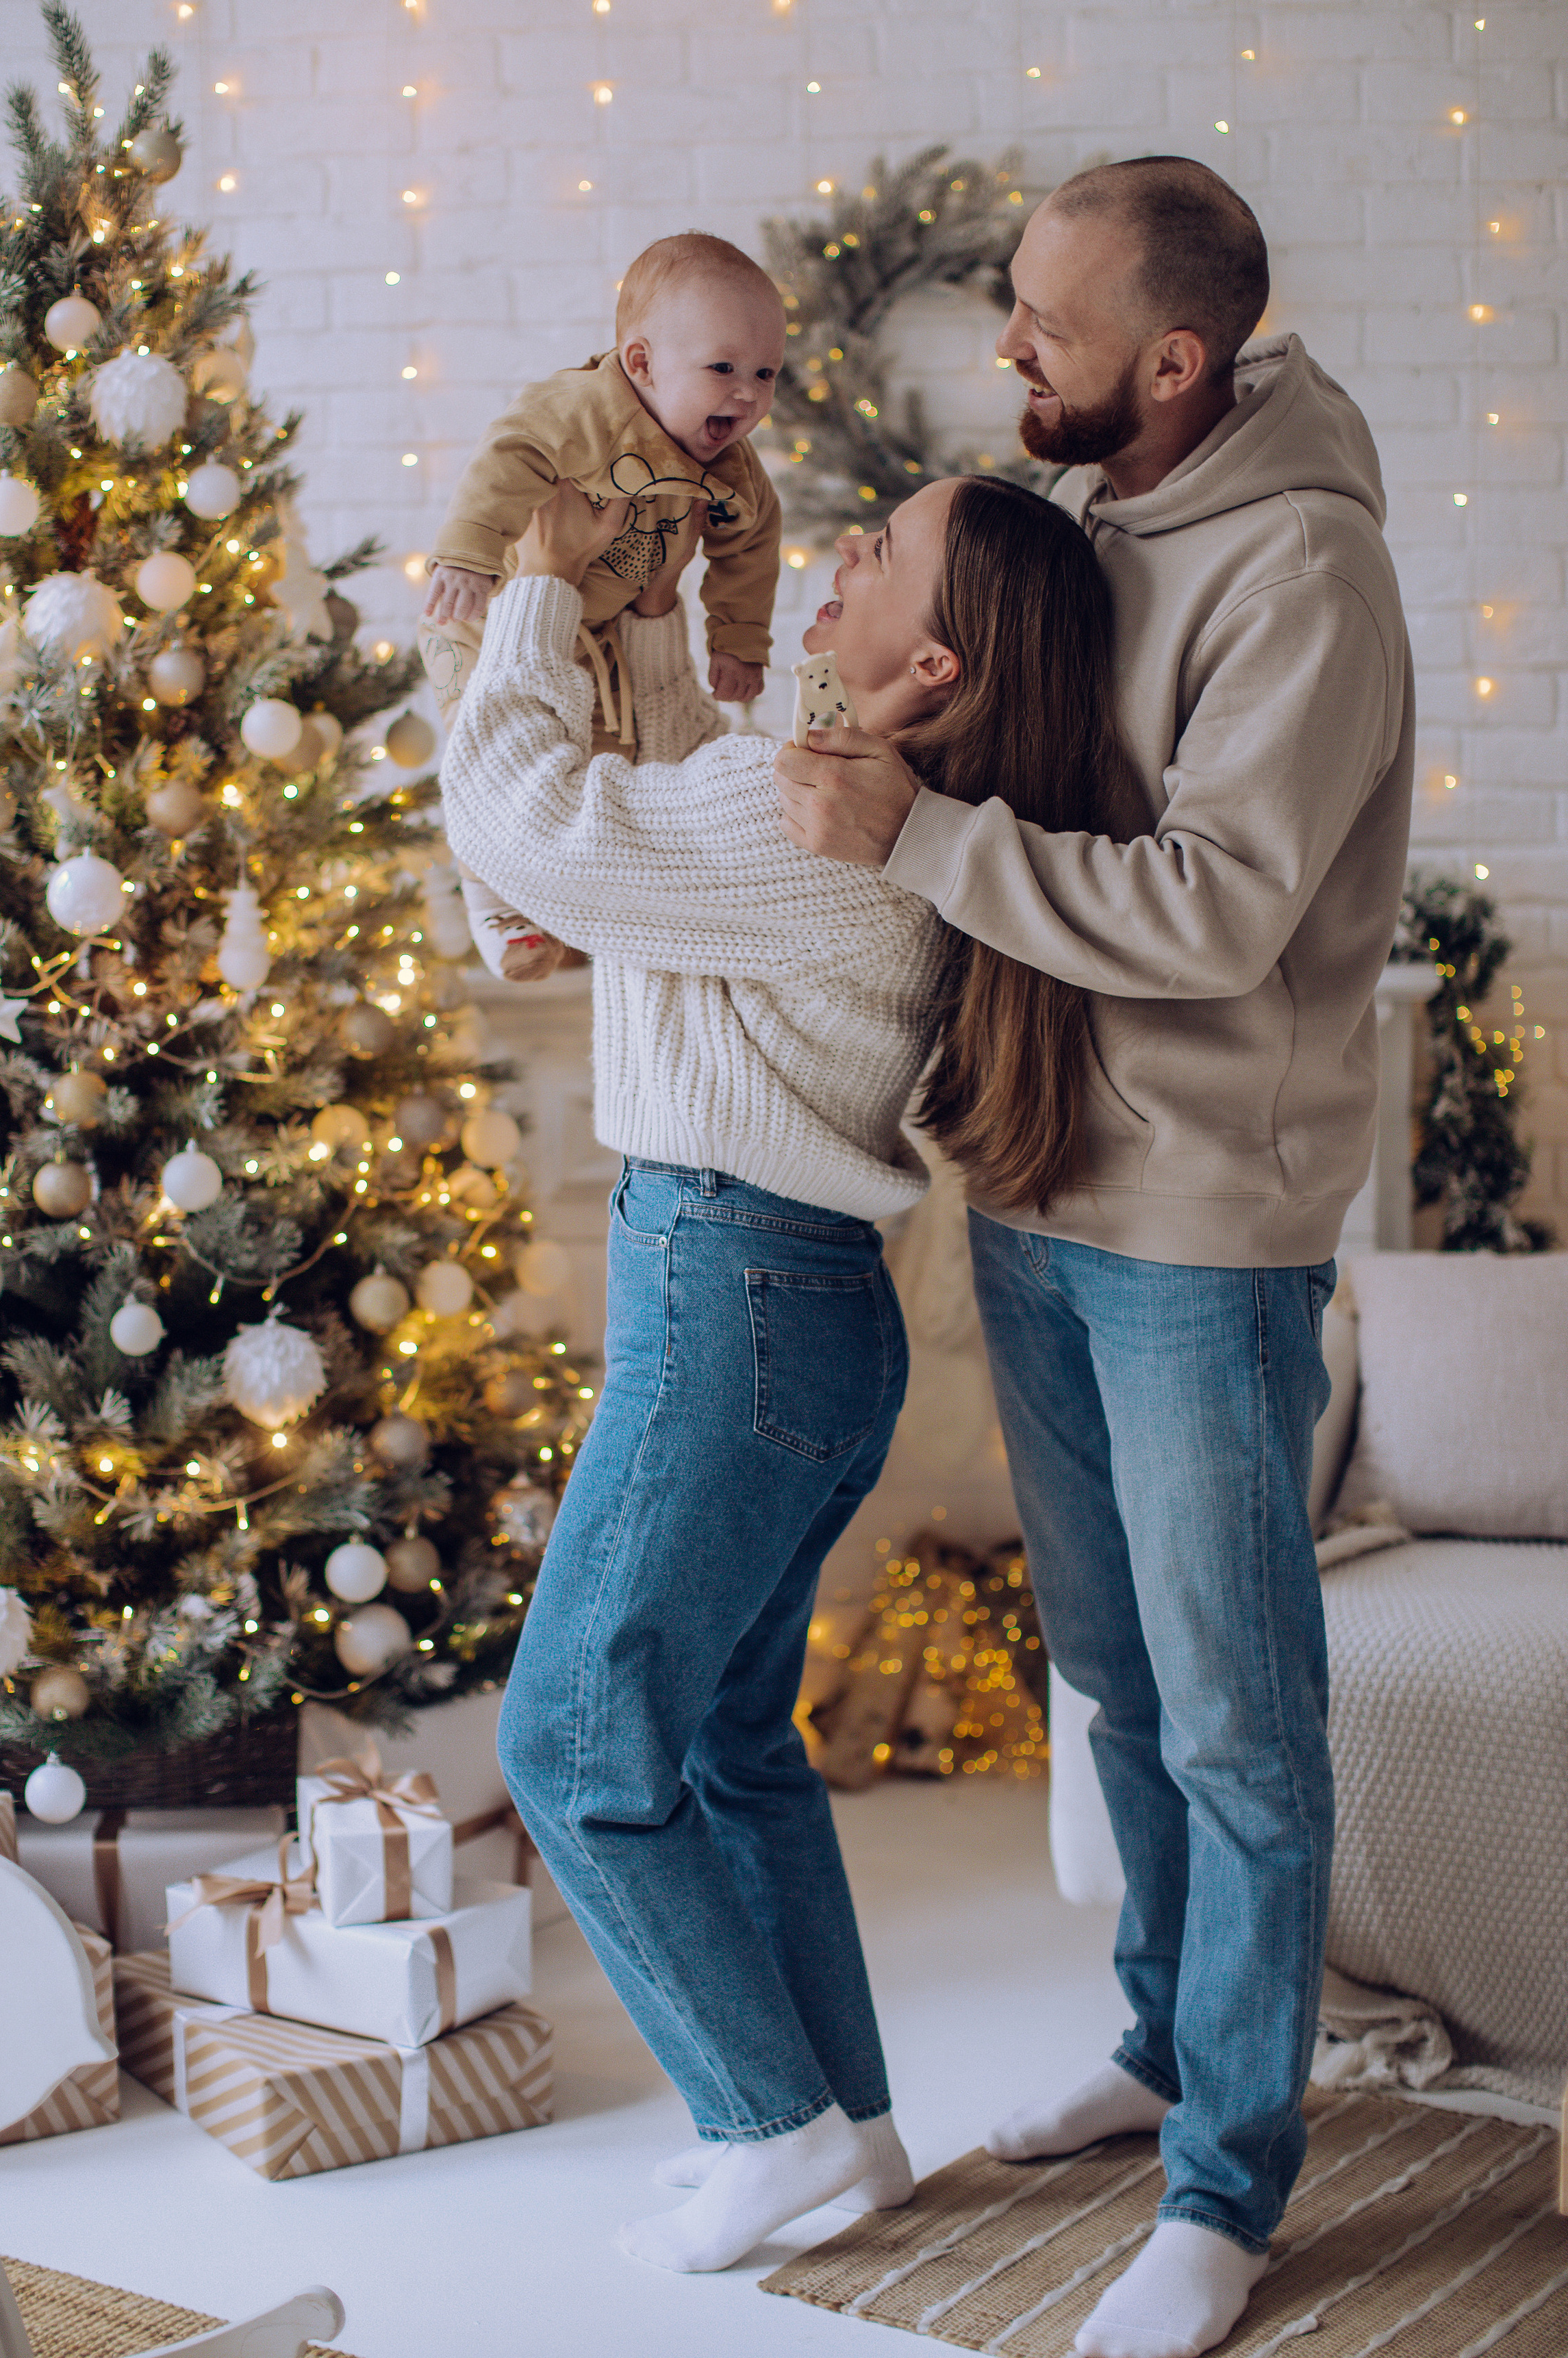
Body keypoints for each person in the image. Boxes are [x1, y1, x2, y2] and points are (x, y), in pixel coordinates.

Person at [775, 156, 1416, 2358]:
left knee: (1236, 1717)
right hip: (1036, 1185)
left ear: (1171, 358)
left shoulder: (1303, 568)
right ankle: (1158, 2040)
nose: (1005, 352)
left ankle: (1226, 2178)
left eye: (1042, 324)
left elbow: (1219, 905)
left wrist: (927, 833)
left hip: (1195, 1223)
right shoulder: (1087, 527)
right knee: (1116, 1681)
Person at [441, 467, 1134, 2275]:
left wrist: (534, 594)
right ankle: (852, 2133)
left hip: (729, 1295)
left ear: (934, 664)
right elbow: (675, 795)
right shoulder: (868, 814)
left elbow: (532, 820)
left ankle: (768, 2123)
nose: (840, 557)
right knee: (737, 1738)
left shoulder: (805, 819)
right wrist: (655, 615)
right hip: (803, 1305)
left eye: (881, 553)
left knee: (574, 1739)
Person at [420, 231, 785, 979]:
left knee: (598, 758)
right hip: (493, 612)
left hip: (606, 630)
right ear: (643, 363)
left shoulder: (733, 474)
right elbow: (510, 456)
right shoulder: (584, 409)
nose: (746, 392)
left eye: (765, 372)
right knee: (488, 743)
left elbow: (750, 549)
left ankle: (566, 902)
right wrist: (466, 552)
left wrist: (738, 641)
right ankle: (490, 889)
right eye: (722, 368)